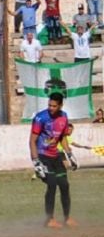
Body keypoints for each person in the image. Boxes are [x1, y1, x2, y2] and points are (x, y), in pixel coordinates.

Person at [30, 92, 77, 228]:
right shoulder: (40, 118)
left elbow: (62, 137)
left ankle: (67, 218)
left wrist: (70, 154)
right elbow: (32, 141)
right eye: (49, 105)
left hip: (55, 156)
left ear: (60, 105)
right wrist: (36, 162)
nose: (51, 108)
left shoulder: (64, 117)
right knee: (52, 184)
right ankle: (49, 219)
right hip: (42, 156)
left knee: (64, 185)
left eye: (54, 106)